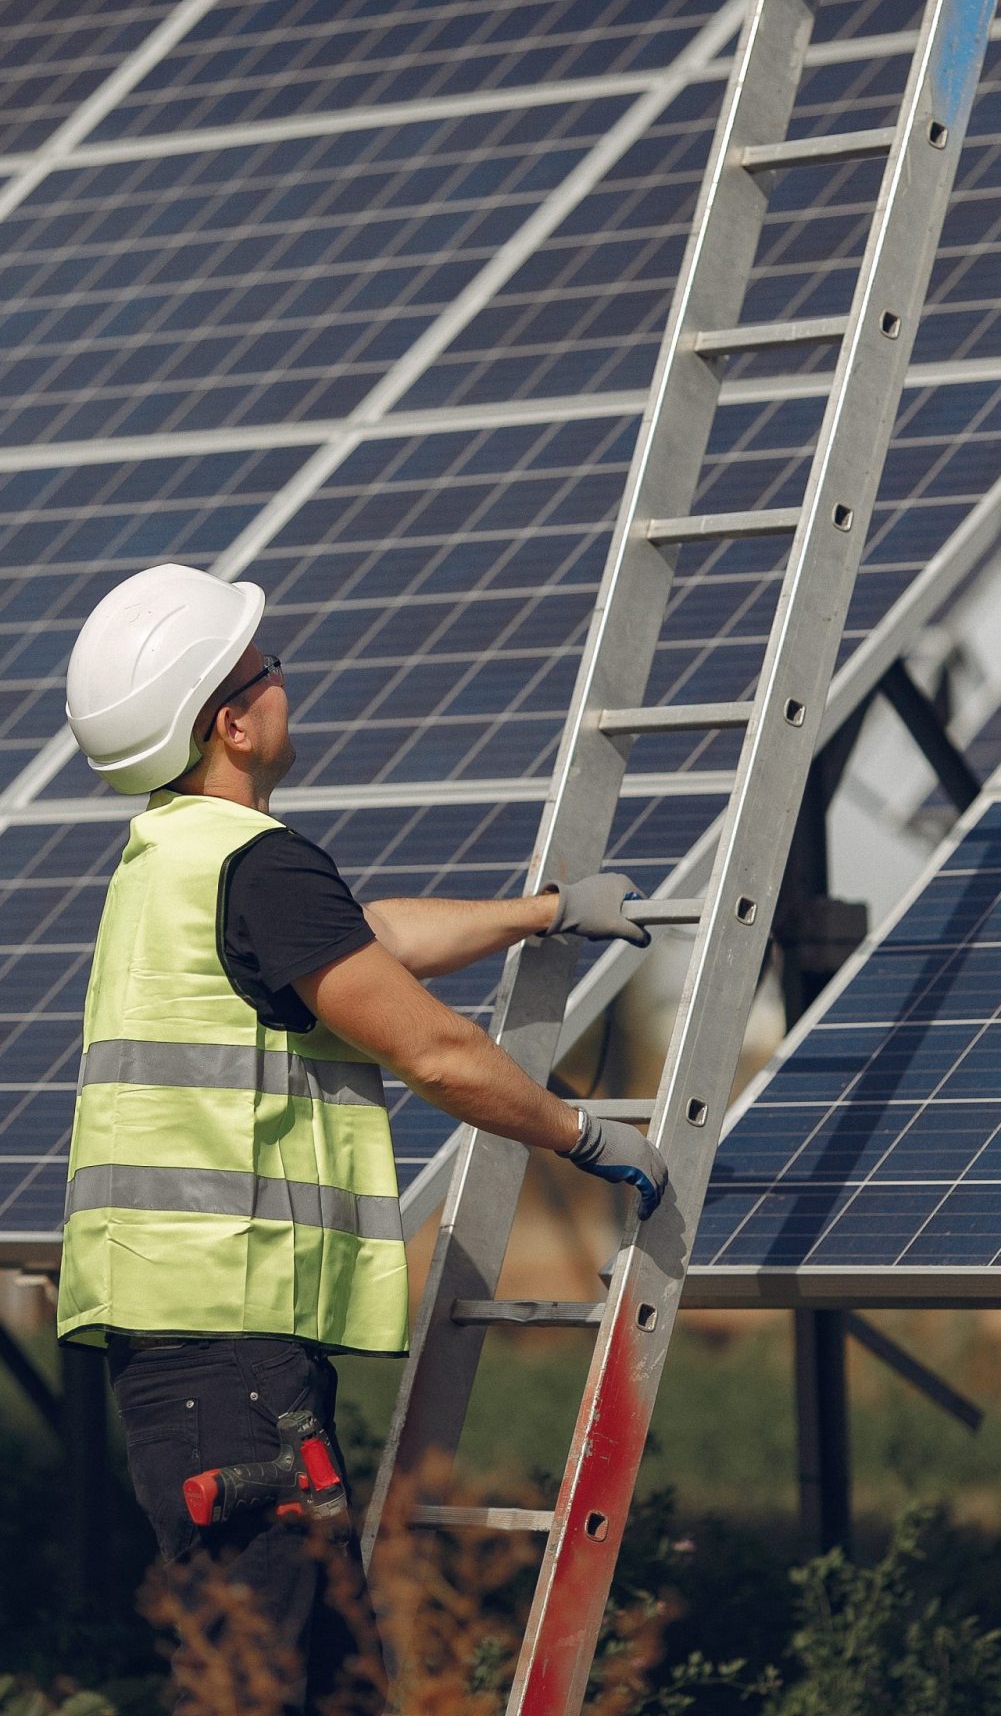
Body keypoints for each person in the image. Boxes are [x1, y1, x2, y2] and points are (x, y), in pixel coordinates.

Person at [57, 562, 667, 1713]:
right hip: (230, 1356)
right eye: (266, 669)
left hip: (193, 1354)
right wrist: (582, 1135)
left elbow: (365, 938)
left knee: (325, 1683)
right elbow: (430, 1049)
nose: (287, 681)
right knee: (264, 1685)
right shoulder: (253, 865)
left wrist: (538, 912)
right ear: (232, 720)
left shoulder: (173, 858)